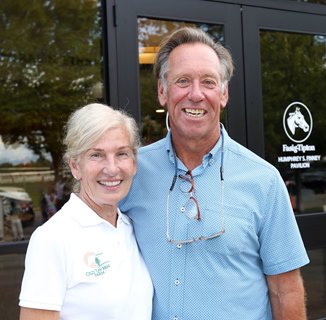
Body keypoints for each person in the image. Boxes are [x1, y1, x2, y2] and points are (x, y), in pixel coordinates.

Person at [120, 27, 310, 320]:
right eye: (182, 81)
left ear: (223, 94)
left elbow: (286, 290)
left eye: (208, 82)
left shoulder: (264, 181)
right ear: (162, 91)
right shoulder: (130, 173)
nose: (196, 95)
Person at [19, 103, 153, 320]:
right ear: (74, 166)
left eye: (121, 153)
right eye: (96, 155)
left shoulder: (130, 226)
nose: (111, 168)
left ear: (134, 163)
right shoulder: (52, 238)